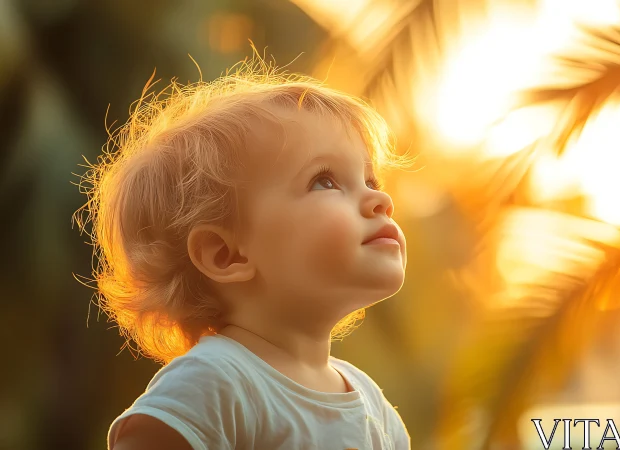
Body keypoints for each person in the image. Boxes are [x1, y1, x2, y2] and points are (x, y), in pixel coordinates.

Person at [76, 56, 414, 449]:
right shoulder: (213, 384)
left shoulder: (376, 408)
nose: (380, 199)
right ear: (226, 255)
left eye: (370, 179)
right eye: (324, 181)